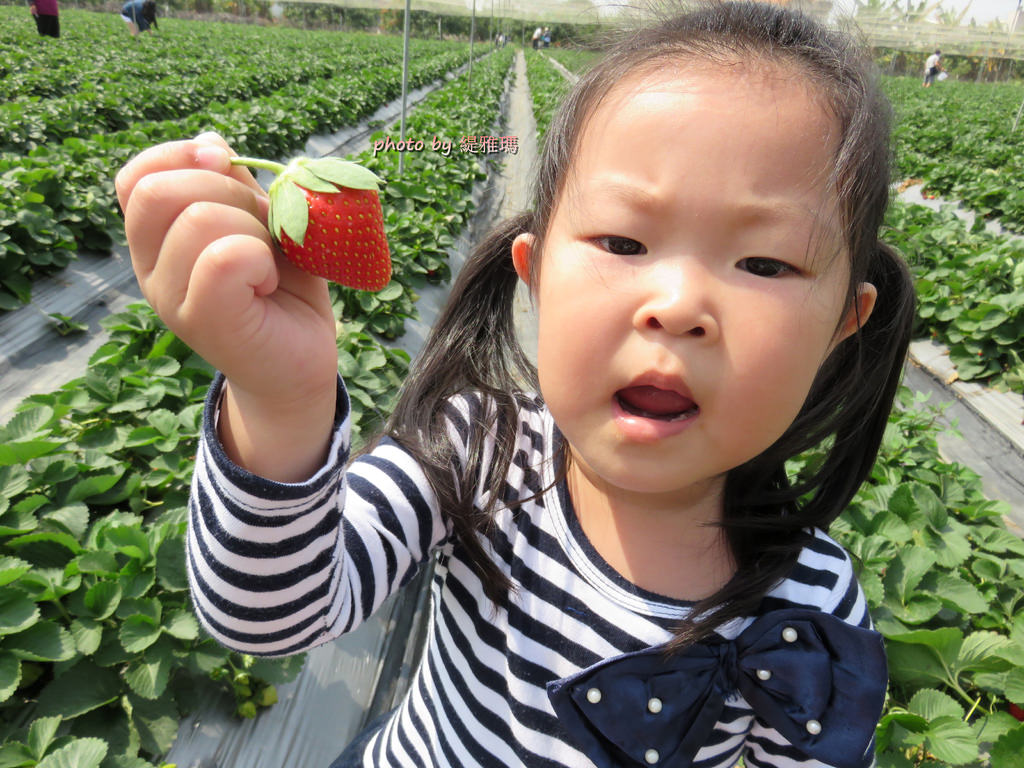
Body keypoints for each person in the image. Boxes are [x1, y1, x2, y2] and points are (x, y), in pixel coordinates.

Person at [115, 2, 916, 766]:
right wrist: (279, 397)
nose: (676, 308)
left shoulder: (809, 610)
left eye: (764, 263)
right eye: (624, 241)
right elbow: (269, 614)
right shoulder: (477, 451)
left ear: (844, 323)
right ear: (534, 276)